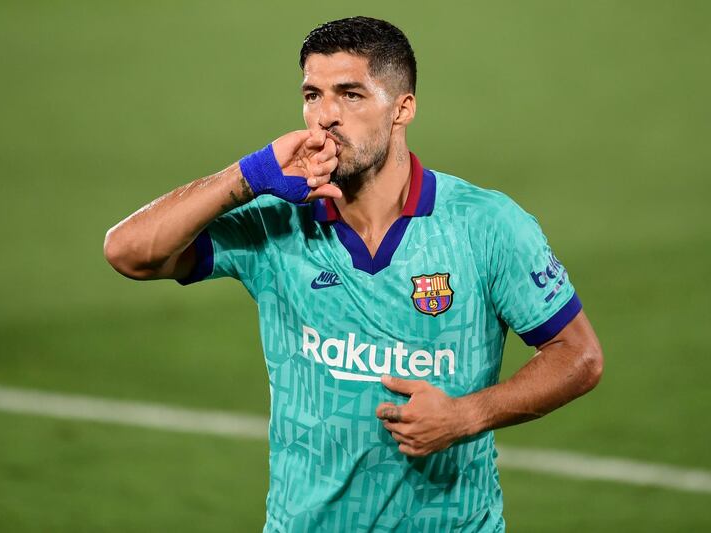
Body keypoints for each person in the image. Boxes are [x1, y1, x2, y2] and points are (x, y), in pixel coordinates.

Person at [104, 16, 603, 532]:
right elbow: (128, 252)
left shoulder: (486, 225)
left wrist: (466, 417)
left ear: (403, 108)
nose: (326, 117)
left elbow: (578, 355)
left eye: (351, 95)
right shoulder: (276, 220)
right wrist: (248, 177)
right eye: (313, 95)